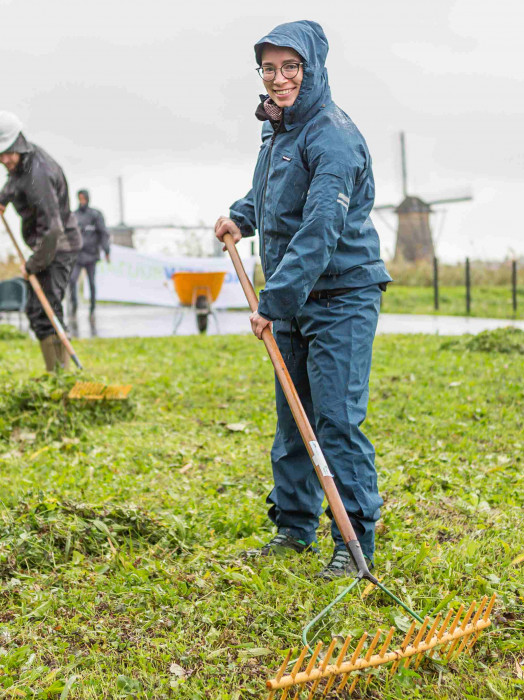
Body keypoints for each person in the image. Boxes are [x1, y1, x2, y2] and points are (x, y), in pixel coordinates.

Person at [214, 21, 392, 579]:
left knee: (335, 419)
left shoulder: (334, 137)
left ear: (312, 69)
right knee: (293, 419)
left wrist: (273, 300)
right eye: (269, 68)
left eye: (291, 67)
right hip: (293, 296)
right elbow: (272, 194)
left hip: (341, 294)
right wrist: (241, 215)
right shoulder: (279, 130)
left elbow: (318, 229)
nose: (279, 78)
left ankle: (354, 538)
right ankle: (293, 528)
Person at [0, 110, 82, 372]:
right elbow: (14, 182)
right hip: (45, 245)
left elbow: (52, 231)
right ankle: (55, 375)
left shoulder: (39, 175)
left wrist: (32, 265)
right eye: (0, 154)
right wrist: (1, 199)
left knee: (47, 310)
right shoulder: (22, 162)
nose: (4, 159)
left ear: (18, 143)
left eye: (7, 153)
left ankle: (60, 378)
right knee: (36, 310)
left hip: (58, 247)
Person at [69, 189, 110, 318]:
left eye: (84, 198)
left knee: (91, 283)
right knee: (72, 280)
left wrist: (106, 250)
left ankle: (92, 308)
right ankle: (74, 305)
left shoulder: (95, 215)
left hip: (91, 254)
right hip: (77, 255)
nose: (82, 201)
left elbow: (103, 233)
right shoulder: (74, 215)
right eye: (80, 198)